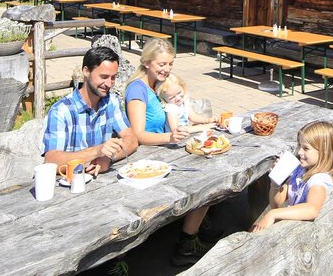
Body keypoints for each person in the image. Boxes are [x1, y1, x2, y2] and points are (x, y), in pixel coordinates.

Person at [123, 38, 215, 266]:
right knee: (205, 180)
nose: (167, 69)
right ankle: (185, 244)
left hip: (163, 151)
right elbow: (138, 134)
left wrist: (200, 126)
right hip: (144, 157)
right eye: (161, 64)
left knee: (211, 171)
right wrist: (170, 137)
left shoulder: (156, 86)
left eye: (170, 64)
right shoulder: (137, 90)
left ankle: (196, 229)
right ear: (146, 63)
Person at [42, 45, 139, 177]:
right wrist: (97, 151)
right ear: (86, 71)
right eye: (104, 76)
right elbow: (51, 161)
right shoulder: (62, 111)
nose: (109, 84)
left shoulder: (111, 101)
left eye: (113, 77)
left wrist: (108, 158)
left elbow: (132, 139)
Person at [252, 121, 333, 232]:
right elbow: (276, 204)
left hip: (304, 232)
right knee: (254, 229)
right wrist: (275, 183)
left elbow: (312, 209)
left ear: (323, 151)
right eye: (299, 145)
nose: (299, 151)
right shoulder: (301, 170)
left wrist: (272, 214)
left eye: (306, 148)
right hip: (292, 226)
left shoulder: (319, 181)